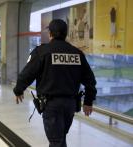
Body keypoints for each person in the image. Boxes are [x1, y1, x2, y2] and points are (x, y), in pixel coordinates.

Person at [13, 19, 97, 147]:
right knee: (60, 138)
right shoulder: (77, 54)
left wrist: (19, 90)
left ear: (50, 34)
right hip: (70, 105)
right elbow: (90, 80)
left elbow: (27, 73)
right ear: (65, 34)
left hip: (51, 105)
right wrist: (88, 101)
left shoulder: (42, 52)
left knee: (56, 141)